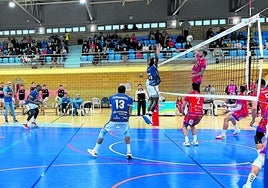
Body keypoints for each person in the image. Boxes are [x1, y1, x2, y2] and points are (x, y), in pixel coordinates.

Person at [87, 85, 133, 159]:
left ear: (118, 90)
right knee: (126, 133)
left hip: (114, 118)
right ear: (125, 91)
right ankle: (129, 152)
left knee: (103, 132)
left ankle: (95, 150)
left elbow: (112, 108)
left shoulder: (112, 97)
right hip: (124, 119)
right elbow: (130, 111)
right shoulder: (130, 98)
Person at [142, 43, 161, 124]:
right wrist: (154, 50)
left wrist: (149, 52)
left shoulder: (148, 67)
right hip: (153, 83)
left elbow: (149, 59)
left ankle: (147, 113)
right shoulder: (154, 66)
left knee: (152, 100)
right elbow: (156, 58)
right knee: (155, 100)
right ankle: (149, 114)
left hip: (148, 83)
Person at [249, 79, 268, 153]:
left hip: (266, 117)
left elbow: (254, 108)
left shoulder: (256, 93)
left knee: (257, 137)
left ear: (257, 85)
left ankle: (260, 159)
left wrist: (253, 119)